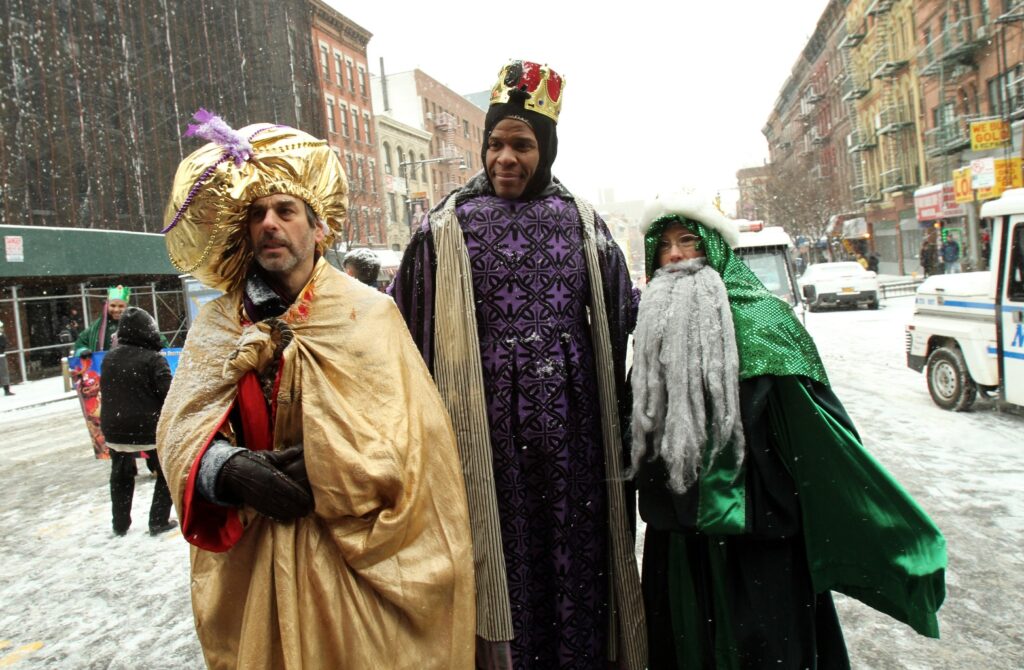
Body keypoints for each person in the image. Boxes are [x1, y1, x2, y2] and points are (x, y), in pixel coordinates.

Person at [157, 111, 474, 669]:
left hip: (350, 570)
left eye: (285, 211)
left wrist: (330, 466)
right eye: (256, 214)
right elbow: (180, 429)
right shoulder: (218, 324)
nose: (270, 224)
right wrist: (228, 470)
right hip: (252, 564)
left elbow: (416, 444)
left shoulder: (369, 315)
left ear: (318, 225)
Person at [390, 60, 646, 669]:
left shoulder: (583, 224)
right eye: (495, 143)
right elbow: (400, 323)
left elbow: (627, 314)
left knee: (572, 553)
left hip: (573, 441)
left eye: (522, 144)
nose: (506, 157)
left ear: (547, 150)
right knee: (498, 557)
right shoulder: (444, 227)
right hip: (482, 439)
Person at [630, 192, 947, 669]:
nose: (675, 255)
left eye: (688, 241)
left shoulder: (766, 319)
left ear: (714, 250)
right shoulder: (652, 331)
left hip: (758, 534)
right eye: (665, 245)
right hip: (680, 535)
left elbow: (819, 432)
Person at [99, 306, 176, 536]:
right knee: (168, 472)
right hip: (148, 430)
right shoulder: (154, 360)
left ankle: (120, 524)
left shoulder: (109, 358)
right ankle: (158, 520)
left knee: (120, 474)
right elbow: (169, 396)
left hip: (115, 431)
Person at [74, 286, 130, 355]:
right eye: (112, 305)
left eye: (121, 306)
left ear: (127, 307)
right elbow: (80, 343)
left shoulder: (134, 325)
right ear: (107, 306)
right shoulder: (96, 326)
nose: (116, 310)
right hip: (102, 364)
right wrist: (83, 351)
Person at [0, 321, 13, 396]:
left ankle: (6, 389)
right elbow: (4, 345)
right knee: (4, 373)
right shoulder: (1, 336)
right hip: (1, 356)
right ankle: (6, 390)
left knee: (4, 374)